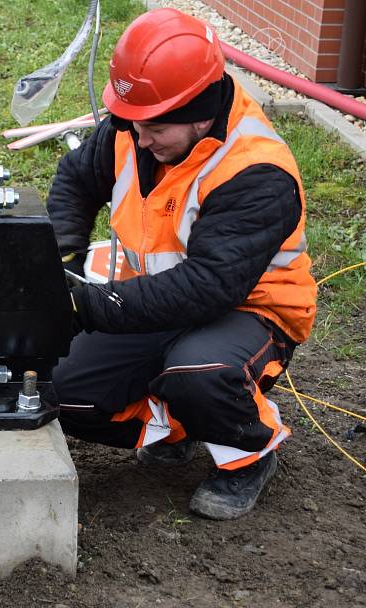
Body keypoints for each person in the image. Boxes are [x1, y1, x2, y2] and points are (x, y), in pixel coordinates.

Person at [46, 8, 317, 520]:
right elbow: (76, 181)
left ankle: (249, 454)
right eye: (132, 126)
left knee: (200, 372)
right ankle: (184, 425)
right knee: (57, 389)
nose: (139, 141)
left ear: (199, 113)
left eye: (154, 130)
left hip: (249, 312)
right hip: (156, 300)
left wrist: (88, 305)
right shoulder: (139, 126)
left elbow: (208, 287)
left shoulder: (255, 171)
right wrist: (66, 260)